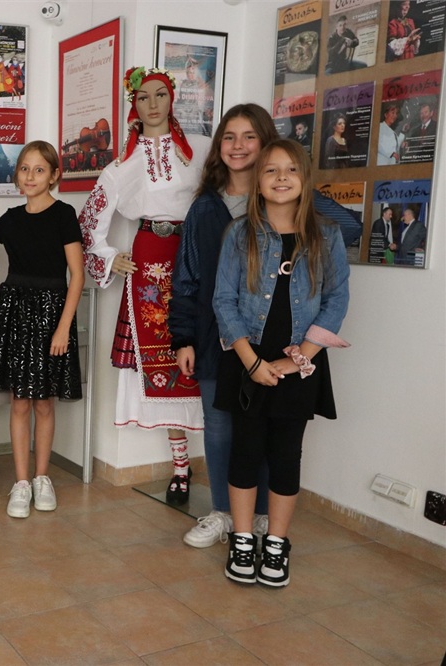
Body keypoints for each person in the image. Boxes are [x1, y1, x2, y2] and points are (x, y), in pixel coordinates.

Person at [170, 103, 362, 549]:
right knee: (224, 429)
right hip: (221, 336)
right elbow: (188, 276)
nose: (238, 146)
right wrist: (183, 335)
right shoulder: (208, 208)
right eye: (229, 137)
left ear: (266, 144)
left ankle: (261, 520)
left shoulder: (299, 207)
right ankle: (225, 514)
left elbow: (347, 229)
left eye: (249, 137)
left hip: (285, 347)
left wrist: (297, 194)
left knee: (271, 435)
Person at [214, 138, 350, 588]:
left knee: (287, 455)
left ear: (305, 179)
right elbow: (224, 300)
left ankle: (276, 542)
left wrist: (300, 358)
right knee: (245, 450)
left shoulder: (326, 235)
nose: (281, 178)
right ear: (258, 181)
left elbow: (335, 301)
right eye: (271, 170)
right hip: (247, 358)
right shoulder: (240, 233)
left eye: (291, 169)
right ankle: (242, 539)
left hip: (301, 363)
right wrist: (252, 363)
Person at [78, 66, 211, 505]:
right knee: (164, 360)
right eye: (143, 97)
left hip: (194, 254)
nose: (152, 104)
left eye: (160, 95)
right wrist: (108, 256)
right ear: (132, 105)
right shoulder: (121, 166)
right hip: (150, 258)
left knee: (205, 351)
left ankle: (222, 461)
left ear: (172, 99)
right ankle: (180, 466)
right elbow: (89, 221)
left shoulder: (201, 150)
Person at [0, 140, 85, 518]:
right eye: (24, 168)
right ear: (16, 174)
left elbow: (77, 275)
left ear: (54, 175)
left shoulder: (64, 215)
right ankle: (21, 483)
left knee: (44, 402)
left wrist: (63, 327)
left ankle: (42, 477)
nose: (30, 176)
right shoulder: (10, 218)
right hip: (14, 312)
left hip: (53, 314)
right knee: (19, 401)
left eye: (39, 169)